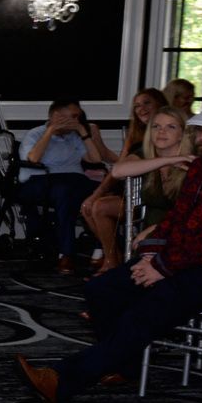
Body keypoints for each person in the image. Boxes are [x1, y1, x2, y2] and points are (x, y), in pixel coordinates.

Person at [15, 99, 202, 403]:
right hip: (194, 262)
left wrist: (163, 267)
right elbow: (179, 220)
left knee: (154, 302)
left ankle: (62, 379)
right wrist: (153, 255)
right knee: (103, 288)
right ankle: (122, 366)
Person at [17, 99, 115, 274]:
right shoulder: (34, 134)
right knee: (65, 194)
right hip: (41, 179)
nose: (78, 119)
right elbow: (33, 159)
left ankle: (102, 249)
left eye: (79, 116)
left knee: (103, 192)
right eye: (74, 116)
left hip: (74, 180)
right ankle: (66, 253)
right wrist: (51, 130)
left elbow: (95, 159)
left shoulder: (74, 137)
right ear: (56, 116)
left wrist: (83, 133)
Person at [83, 92, 176, 271]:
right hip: (132, 191)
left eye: (147, 103)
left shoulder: (175, 145)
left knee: (99, 206)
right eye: (137, 106)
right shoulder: (136, 137)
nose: (142, 109)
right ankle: (113, 256)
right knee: (90, 207)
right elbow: (118, 166)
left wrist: (97, 194)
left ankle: (111, 261)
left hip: (149, 198)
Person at [105, 107, 194, 248]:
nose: (161, 131)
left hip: (181, 233)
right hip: (148, 236)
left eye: (171, 127)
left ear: (182, 134)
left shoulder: (192, 161)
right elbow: (117, 171)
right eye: (156, 126)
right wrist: (168, 160)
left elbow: (195, 212)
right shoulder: (145, 155)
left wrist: (154, 230)